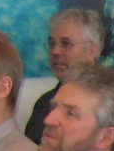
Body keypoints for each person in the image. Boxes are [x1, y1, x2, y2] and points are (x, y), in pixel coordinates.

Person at [24, 9, 104, 143]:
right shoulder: (44, 102)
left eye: (66, 44)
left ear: (92, 50)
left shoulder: (109, 101)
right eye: (52, 44)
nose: (55, 51)